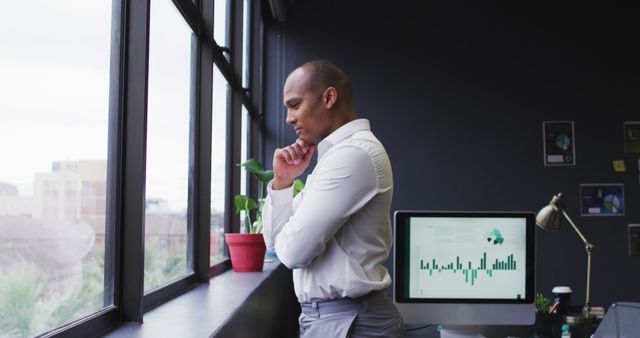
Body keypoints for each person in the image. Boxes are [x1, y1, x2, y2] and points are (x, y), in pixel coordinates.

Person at [262, 60, 403, 337]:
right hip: (336, 319)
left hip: (349, 322)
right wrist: (283, 182)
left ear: (328, 97)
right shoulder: (334, 158)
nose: (289, 118)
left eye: (294, 105)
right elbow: (275, 244)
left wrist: (291, 233)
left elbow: (293, 253)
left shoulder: (353, 155)